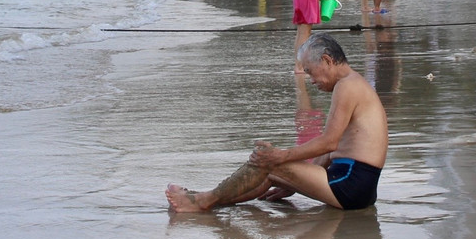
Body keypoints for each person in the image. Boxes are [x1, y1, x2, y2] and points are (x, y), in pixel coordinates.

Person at [165, 35, 387, 213]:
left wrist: (282, 156)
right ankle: (207, 199)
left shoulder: (347, 86)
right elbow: (334, 150)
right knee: (271, 170)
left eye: (310, 71)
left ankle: (201, 201)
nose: (311, 80)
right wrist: (297, 182)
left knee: (268, 161)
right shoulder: (351, 84)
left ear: (327, 60)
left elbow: (329, 143)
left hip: (351, 184)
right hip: (354, 183)